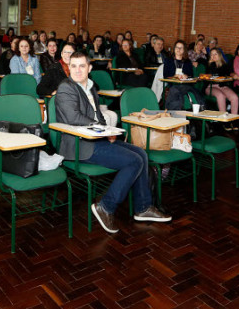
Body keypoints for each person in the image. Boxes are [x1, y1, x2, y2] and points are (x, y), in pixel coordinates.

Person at [54, 51, 170, 233]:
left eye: (82, 66)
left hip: (96, 139)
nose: (77, 70)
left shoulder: (91, 87)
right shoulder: (66, 88)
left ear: (89, 68)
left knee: (141, 153)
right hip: (79, 145)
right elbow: (73, 117)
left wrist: (108, 132)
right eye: (73, 66)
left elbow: (97, 115)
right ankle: (106, 207)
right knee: (134, 160)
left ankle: (143, 208)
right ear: (68, 68)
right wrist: (104, 129)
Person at [163, 39, 204, 110]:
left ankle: (173, 111)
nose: (178, 49)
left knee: (176, 90)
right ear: (174, 49)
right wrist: (175, 76)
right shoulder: (168, 61)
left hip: (185, 84)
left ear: (184, 50)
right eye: (177, 47)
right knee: (175, 90)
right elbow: (165, 75)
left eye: (180, 48)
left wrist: (186, 76)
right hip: (173, 84)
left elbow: (191, 75)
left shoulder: (187, 62)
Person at [204, 48, 239, 121]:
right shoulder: (209, 65)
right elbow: (207, 76)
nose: (213, 56)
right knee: (220, 96)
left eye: (215, 54)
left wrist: (234, 74)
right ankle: (223, 120)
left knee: (234, 97)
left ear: (219, 55)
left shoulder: (224, 65)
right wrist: (211, 63)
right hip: (210, 87)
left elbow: (230, 72)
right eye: (212, 54)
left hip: (222, 86)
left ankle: (233, 119)